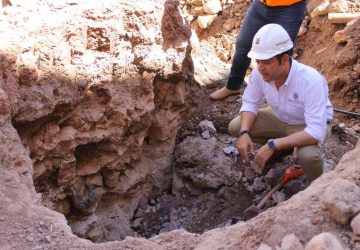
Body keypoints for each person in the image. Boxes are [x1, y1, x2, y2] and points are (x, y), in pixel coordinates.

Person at [228, 23, 333, 182]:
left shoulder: (311, 80)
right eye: (258, 61)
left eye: (267, 61)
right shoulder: (260, 71)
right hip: (280, 117)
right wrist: (244, 133)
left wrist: (273, 144)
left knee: (309, 156)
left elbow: (316, 131)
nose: (260, 67)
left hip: (305, 124)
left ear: (284, 59)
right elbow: (250, 102)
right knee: (237, 126)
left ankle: (317, 186)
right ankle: (284, 149)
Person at [210, 0, 307, 100]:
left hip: (290, 7)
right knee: (243, 44)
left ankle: (284, 98)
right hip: (261, 5)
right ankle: (233, 86)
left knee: (283, 53)